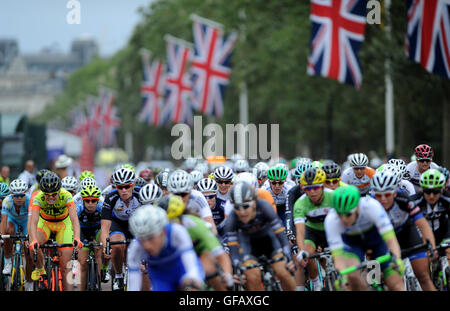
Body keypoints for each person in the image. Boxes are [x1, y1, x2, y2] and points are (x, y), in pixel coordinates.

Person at [324, 185, 405, 291]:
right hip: (353, 243)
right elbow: (338, 257)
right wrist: (342, 278)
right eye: (340, 215)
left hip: (376, 240)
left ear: (357, 207)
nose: (344, 219)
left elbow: (390, 239)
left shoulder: (372, 206)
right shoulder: (331, 220)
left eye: (348, 214)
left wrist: (397, 259)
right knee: (352, 276)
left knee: (395, 284)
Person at [223, 181, 296, 291]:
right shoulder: (232, 219)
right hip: (248, 246)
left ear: (254, 203)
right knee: (252, 277)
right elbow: (233, 249)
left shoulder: (264, 206)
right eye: (237, 207)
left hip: (270, 242)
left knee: (283, 271)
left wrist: (288, 256)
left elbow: (280, 233)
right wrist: (238, 267)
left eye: (245, 206)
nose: (242, 212)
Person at [371, 170, 436, 290]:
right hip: (383, 240)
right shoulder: (369, 205)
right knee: (390, 282)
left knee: (423, 276)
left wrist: (431, 246)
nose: (383, 199)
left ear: (395, 193)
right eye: (379, 195)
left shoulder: (404, 200)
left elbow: (423, 225)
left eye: (387, 194)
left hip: (407, 234)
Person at [157, 194, 233, 291]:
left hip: (201, 251)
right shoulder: (158, 231)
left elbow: (220, 254)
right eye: (166, 222)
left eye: (173, 220)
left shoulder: (195, 224)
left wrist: (227, 274)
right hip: (178, 255)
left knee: (208, 269)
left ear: (181, 217)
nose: (171, 226)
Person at [127, 205, 205, 291]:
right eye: (141, 239)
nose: (146, 245)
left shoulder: (177, 232)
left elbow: (190, 262)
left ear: (163, 232)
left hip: (182, 268)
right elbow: (133, 277)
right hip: (161, 276)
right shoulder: (136, 247)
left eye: (150, 237)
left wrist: (193, 280)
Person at [28, 172, 82, 291]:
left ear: (59, 191)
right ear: (43, 192)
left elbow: (74, 220)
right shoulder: (38, 198)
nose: (51, 197)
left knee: (66, 266)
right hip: (45, 223)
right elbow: (33, 222)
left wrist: (77, 238)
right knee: (32, 246)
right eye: (47, 194)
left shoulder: (66, 195)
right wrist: (34, 240)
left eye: (54, 194)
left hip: (64, 224)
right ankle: (41, 271)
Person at [100, 167, 142, 291]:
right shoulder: (111, 197)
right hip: (118, 224)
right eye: (120, 187)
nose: (124, 190)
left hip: (137, 224)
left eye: (127, 186)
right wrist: (105, 247)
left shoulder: (140, 194)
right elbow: (105, 226)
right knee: (117, 246)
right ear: (115, 187)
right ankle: (118, 275)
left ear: (133, 185)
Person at [293, 167, 333, 291]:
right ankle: (316, 282)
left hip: (331, 229)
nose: (312, 192)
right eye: (308, 189)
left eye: (316, 187)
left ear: (322, 187)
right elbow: (300, 231)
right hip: (313, 231)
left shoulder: (333, 196)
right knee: (307, 252)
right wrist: (301, 251)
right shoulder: (300, 203)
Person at [1, 179, 34, 290]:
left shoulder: (30, 200)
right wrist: (2, 236)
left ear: (26, 193)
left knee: (29, 253)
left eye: (21, 195)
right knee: (8, 231)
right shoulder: (7, 201)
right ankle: (7, 261)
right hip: (12, 221)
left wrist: (29, 237)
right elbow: (3, 221)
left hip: (26, 223)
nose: (19, 198)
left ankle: (29, 282)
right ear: (12, 195)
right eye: (16, 196)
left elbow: (32, 220)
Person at [411, 169, 450, 265]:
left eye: (436, 192)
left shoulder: (447, 199)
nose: (431, 196)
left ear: (442, 189)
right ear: (422, 190)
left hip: (444, 233)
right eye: (427, 192)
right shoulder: (415, 202)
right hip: (423, 235)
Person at [166, 170, 217, 235]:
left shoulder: (197, 197)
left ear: (190, 191)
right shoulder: (166, 201)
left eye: (183, 194)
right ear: (170, 193)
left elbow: (210, 224)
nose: (180, 198)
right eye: (176, 194)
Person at [75, 185, 104, 291]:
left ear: (98, 200)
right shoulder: (78, 207)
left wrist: (106, 245)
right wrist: (76, 239)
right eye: (87, 201)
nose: (90, 203)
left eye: (93, 201)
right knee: (82, 263)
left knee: (101, 246)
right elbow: (72, 225)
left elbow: (107, 226)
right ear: (83, 200)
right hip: (82, 230)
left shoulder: (102, 206)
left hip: (97, 228)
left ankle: (100, 276)